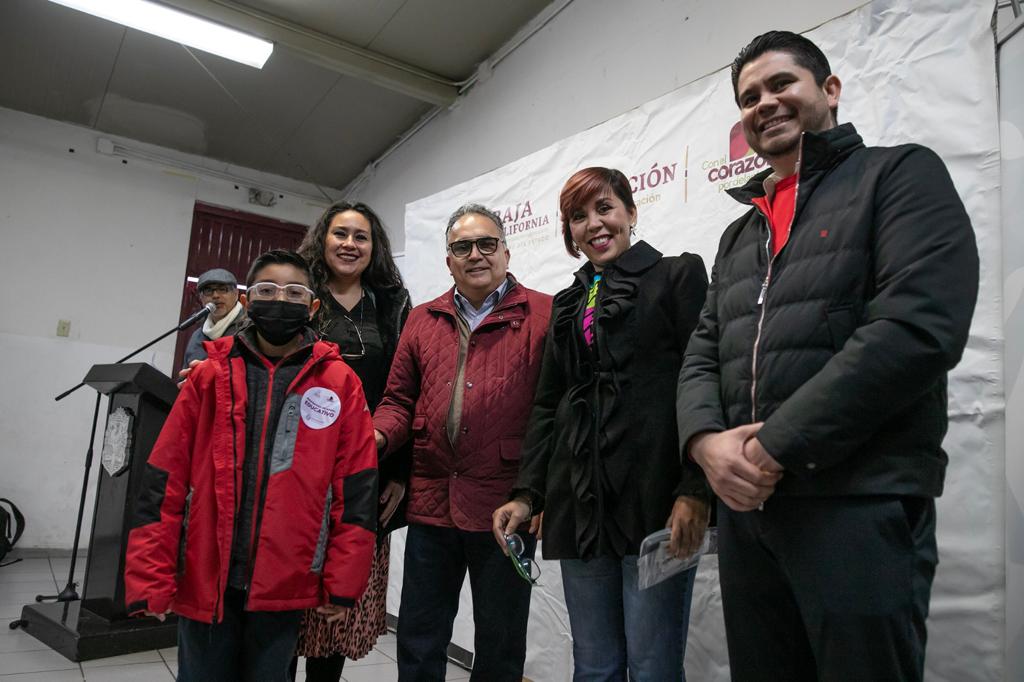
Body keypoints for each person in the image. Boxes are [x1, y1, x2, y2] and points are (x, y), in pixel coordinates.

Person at [676, 31, 979, 682]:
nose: (765, 102)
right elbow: (703, 349)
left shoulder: (898, 175)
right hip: (748, 516)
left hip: (855, 502)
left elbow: (916, 326)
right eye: (749, 96)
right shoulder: (740, 232)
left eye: (782, 84)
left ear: (830, 90)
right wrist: (705, 445)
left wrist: (769, 447)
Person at [493, 167, 710, 681]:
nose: (593, 224)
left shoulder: (679, 275)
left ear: (632, 212)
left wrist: (697, 489)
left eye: (605, 208)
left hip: (656, 504)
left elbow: (705, 382)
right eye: (578, 216)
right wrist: (529, 495)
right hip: (580, 507)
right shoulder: (567, 304)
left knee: (654, 668)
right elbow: (549, 404)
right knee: (593, 667)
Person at [125, 249, 379, 682]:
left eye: (295, 292)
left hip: (285, 582)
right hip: (206, 575)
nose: (280, 300)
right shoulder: (208, 376)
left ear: (313, 307)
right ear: (247, 302)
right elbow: (163, 479)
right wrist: (151, 574)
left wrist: (343, 580)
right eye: (266, 290)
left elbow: (355, 489)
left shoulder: (339, 383)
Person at [372, 204, 552, 682]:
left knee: (500, 642)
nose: (475, 254)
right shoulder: (421, 319)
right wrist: (375, 436)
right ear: (448, 260)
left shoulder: (545, 313)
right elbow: (397, 399)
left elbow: (552, 412)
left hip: (505, 506)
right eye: (462, 247)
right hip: (431, 502)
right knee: (418, 637)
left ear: (506, 252)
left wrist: (536, 493)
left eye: (486, 243)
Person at [288, 201, 413, 682]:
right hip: (293, 475)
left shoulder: (393, 303)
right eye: (340, 233)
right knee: (284, 612)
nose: (349, 244)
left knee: (336, 618)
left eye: (361, 237)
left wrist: (399, 473)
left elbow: (405, 393)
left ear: (373, 247)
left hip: (365, 476)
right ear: (323, 239)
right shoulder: (297, 292)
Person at [182, 268, 247, 367]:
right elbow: (184, 378)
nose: (215, 295)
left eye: (222, 289)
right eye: (208, 291)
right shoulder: (197, 337)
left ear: (236, 294)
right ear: (201, 298)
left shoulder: (249, 329)